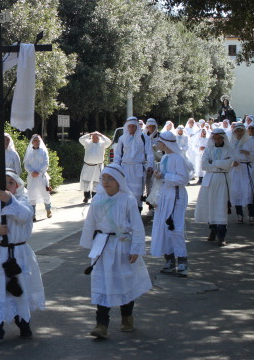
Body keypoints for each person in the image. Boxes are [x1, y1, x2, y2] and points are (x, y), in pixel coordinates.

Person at [0, 169, 45, 344]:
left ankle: (24, 324)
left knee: (19, 289)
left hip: (18, 254)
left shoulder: (24, 203)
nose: (6, 186)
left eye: (10, 182)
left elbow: (25, 216)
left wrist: (10, 201)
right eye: (2, 183)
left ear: (17, 186)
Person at [80, 163, 152, 339]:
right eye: (104, 178)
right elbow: (90, 222)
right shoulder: (98, 199)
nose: (106, 182)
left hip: (122, 246)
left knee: (124, 281)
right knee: (102, 282)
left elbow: (136, 226)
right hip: (103, 246)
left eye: (110, 179)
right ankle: (101, 324)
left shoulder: (127, 200)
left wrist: (136, 248)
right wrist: (89, 244)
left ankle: (127, 317)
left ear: (119, 181)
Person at [150, 131, 194, 276]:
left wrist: (163, 176)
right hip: (164, 196)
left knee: (175, 228)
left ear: (166, 143)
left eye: (160, 142)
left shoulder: (177, 158)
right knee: (164, 228)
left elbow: (183, 179)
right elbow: (162, 179)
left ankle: (182, 261)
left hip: (176, 196)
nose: (158, 144)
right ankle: (169, 260)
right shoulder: (165, 158)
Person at [194, 128, 234, 246]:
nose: (217, 140)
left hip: (222, 180)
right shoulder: (208, 150)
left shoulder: (229, 150)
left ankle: (221, 235)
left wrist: (214, 162)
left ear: (223, 138)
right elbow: (204, 165)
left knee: (221, 207)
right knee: (210, 206)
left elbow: (228, 165)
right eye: (215, 138)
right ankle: (213, 230)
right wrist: (220, 163)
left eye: (219, 137)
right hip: (209, 180)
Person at [229, 123, 254, 225]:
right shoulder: (232, 143)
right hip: (235, 169)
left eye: (240, 130)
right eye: (237, 131)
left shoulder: (250, 142)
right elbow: (228, 156)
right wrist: (231, 163)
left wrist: (247, 153)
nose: (239, 133)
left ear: (244, 131)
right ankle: (239, 215)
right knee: (236, 191)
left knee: (248, 191)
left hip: (246, 169)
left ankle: (251, 216)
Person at [24, 134, 53, 220]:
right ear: (32, 142)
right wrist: (31, 172)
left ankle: (48, 210)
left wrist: (39, 172)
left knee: (45, 193)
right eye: (35, 140)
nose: (37, 142)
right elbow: (26, 164)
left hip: (42, 177)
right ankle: (33, 214)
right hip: (32, 177)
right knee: (31, 194)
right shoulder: (29, 152)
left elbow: (46, 163)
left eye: (38, 141)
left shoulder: (43, 152)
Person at [78, 131, 111, 203]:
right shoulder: (87, 143)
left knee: (97, 182)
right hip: (88, 166)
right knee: (86, 181)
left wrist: (101, 135)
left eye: (96, 137)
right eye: (93, 137)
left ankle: (94, 197)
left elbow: (109, 142)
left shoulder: (102, 144)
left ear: (99, 138)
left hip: (98, 166)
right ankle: (86, 196)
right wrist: (89, 134)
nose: (95, 138)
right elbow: (81, 139)